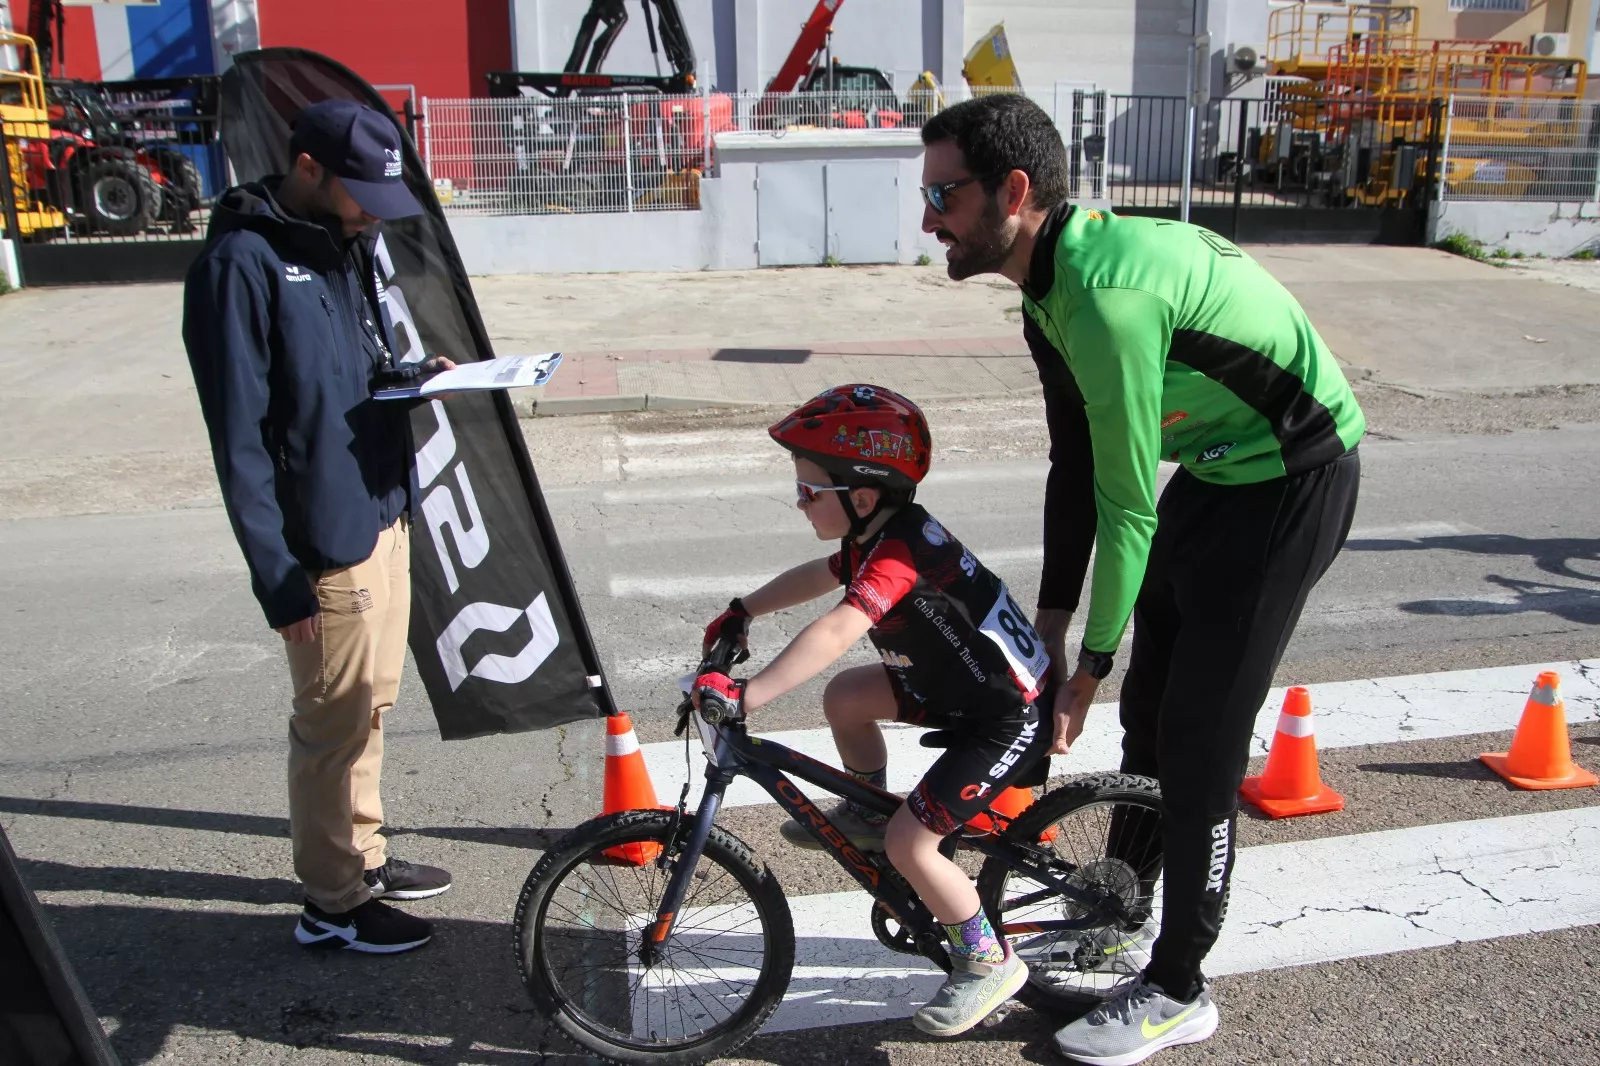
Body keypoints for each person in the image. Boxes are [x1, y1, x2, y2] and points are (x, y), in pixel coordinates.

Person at [916, 95, 1365, 1065]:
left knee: (1200, 742)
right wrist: (1052, 623)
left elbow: (1126, 508)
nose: (927, 219)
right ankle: (1119, 910)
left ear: (1013, 193)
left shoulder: (1106, 301)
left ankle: (1179, 987)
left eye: (944, 196)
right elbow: (1073, 464)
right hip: (1218, 473)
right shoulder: (1046, 289)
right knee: (1151, 718)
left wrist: (1089, 666)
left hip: (1293, 479)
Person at [692, 384, 1053, 1038]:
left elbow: (838, 628)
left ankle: (988, 959)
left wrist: (749, 694)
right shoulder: (875, 534)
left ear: (860, 498)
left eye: (808, 491)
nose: (799, 502)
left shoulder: (899, 552)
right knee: (846, 698)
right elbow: (821, 575)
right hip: (956, 685)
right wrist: (744, 609)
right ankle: (865, 810)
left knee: (911, 843)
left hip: (1002, 715)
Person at [182, 99, 456, 955]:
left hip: (377, 512)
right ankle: (332, 903)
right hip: (322, 542)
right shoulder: (241, 265)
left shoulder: (342, 242)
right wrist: (277, 575)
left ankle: (362, 855)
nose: (374, 212)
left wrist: (411, 377)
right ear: (308, 167)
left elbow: (350, 373)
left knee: (369, 708)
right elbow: (240, 439)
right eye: (361, 193)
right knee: (331, 724)